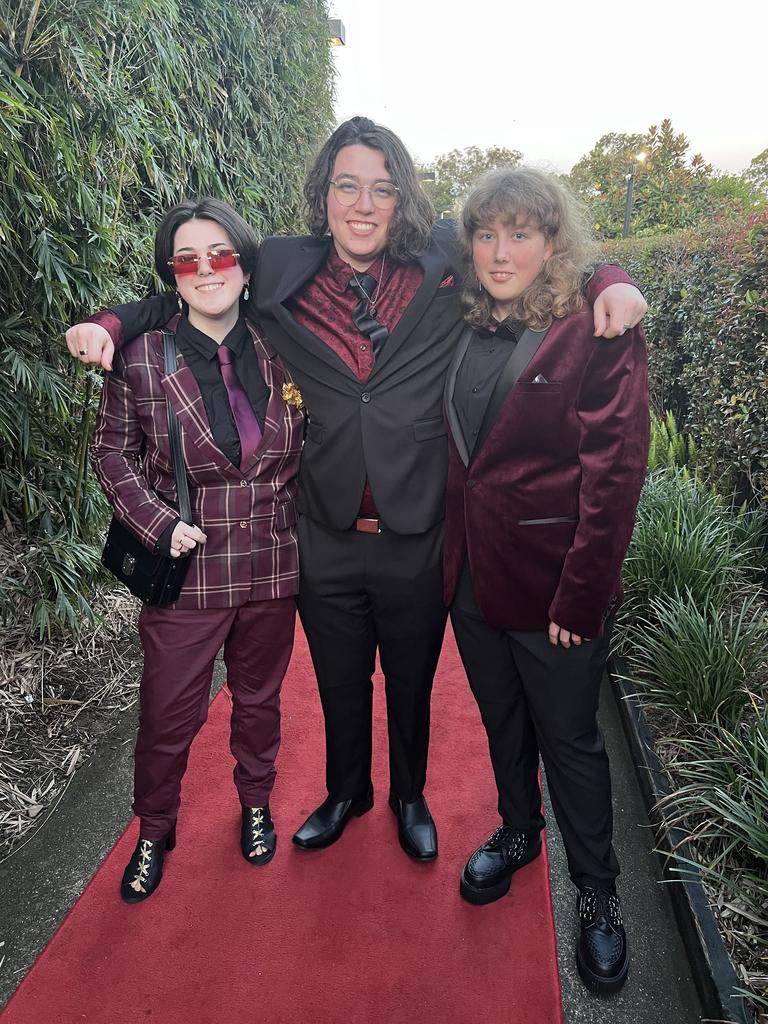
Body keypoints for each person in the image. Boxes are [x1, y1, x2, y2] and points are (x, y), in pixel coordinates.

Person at [67, 116, 647, 865]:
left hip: (418, 530)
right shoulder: (277, 265)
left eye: (381, 188)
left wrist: (615, 278)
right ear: (325, 195)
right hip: (325, 529)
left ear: (402, 199)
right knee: (339, 680)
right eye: (348, 185)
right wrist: (111, 321)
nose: (363, 204)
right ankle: (347, 791)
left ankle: (409, 794)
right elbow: (188, 291)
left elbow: (541, 254)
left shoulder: (446, 255)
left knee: (410, 682)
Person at [443, 167, 649, 992]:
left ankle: (598, 893)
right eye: (487, 233)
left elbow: (617, 471)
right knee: (502, 722)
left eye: (521, 233)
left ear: (553, 241)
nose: (501, 251)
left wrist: (584, 591)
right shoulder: (457, 316)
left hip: (555, 585)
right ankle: (519, 830)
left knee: (571, 741)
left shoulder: (594, 328)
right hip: (470, 578)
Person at [90, 198, 304, 902]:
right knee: (166, 714)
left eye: (220, 254)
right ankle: (155, 829)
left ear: (245, 265)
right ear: (171, 275)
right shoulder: (142, 358)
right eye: (188, 258)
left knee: (259, 702)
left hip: (272, 565)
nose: (206, 269)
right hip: (188, 571)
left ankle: (254, 802)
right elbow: (112, 453)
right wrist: (155, 523)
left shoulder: (284, 345)